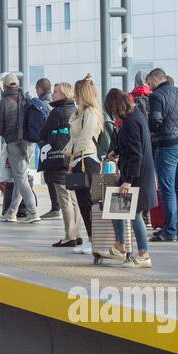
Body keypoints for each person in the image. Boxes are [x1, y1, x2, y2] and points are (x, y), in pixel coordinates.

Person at [106, 87, 156, 267]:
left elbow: (136, 153)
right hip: (135, 173)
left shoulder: (131, 122)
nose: (113, 116)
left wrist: (128, 181)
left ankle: (144, 254)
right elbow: (131, 145)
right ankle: (120, 245)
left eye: (112, 111)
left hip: (137, 176)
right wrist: (116, 150)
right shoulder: (134, 116)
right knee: (116, 209)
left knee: (135, 215)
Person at [64, 75, 112, 257]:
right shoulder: (80, 113)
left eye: (76, 93)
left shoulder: (90, 113)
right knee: (85, 204)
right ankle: (93, 240)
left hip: (87, 161)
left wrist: (71, 151)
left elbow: (84, 138)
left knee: (90, 203)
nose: (73, 96)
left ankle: (96, 241)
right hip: (79, 160)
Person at [146, 68, 178, 242]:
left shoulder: (157, 96)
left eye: (149, 83)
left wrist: (152, 132)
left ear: (156, 79)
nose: (149, 87)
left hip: (166, 145)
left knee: (167, 189)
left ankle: (169, 231)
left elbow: (156, 120)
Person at [0, 73, 41, 224]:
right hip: (29, 143)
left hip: (14, 143)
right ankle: (11, 212)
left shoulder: (3, 103)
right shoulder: (26, 99)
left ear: (5, 86)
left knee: (21, 178)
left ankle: (33, 212)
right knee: (19, 177)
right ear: (17, 84)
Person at [43, 82, 82, 248]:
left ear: (64, 94)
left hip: (59, 160)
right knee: (75, 198)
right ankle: (77, 233)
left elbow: (43, 133)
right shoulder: (76, 110)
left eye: (56, 92)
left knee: (64, 197)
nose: (53, 94)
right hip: (75, 159)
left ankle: (69, 236)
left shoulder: (57, 112)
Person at [33, 78, 60, 217]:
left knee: (50, 176)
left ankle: (56, 207)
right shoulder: (54, 104)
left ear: (39, 89)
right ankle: (57, 206)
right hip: (57, 144)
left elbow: (43, 128)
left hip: (48, 145)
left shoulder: (43, 104)